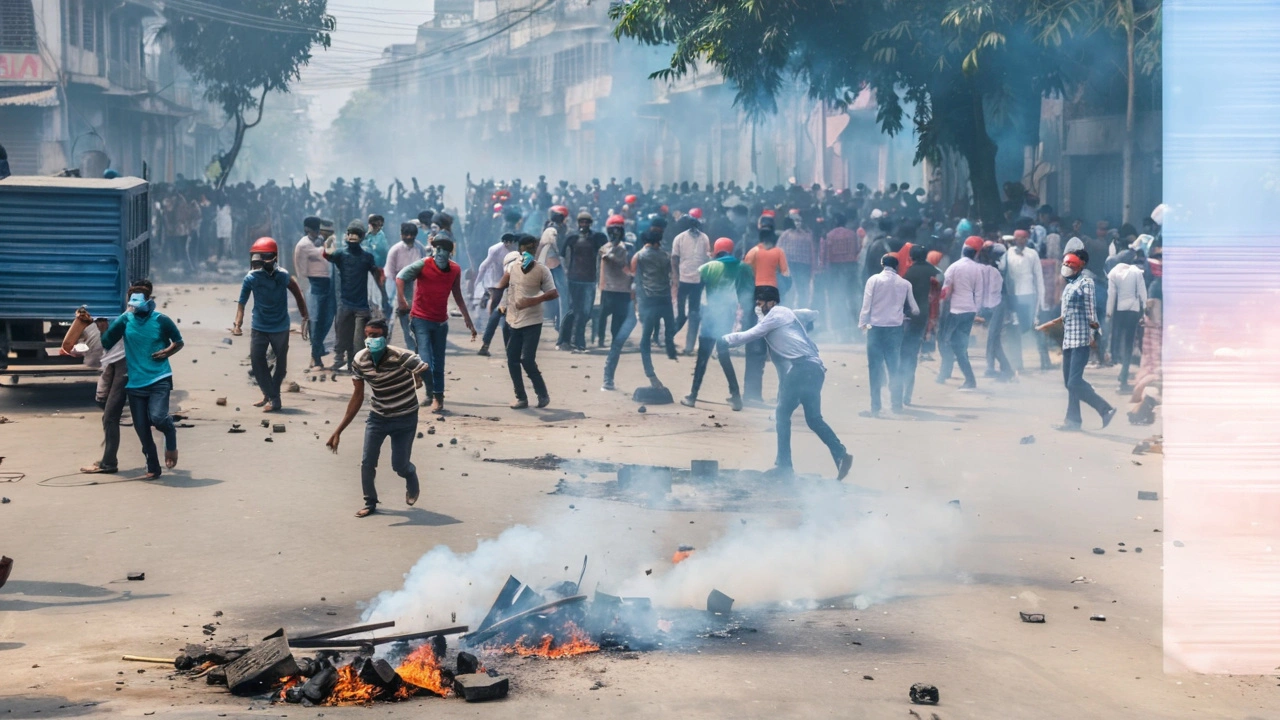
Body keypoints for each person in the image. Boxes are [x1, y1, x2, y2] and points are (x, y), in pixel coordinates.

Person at [721, 287, 853, 481]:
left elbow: (752, 334)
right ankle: (841, 454)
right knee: (814, 419)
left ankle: (784, 466)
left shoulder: (777, 314)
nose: (759, 307)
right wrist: (812, 315)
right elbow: (803, 313)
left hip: (803, 368)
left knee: (782, 414)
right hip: (814, 370)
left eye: (760, 304)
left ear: (772, 302)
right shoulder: (783, 314)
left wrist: (725, 339)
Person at [326, 320, 426, 518]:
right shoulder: (359, 360)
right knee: (367, 461)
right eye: (368, 335)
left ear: (385, 337)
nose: (371, 340)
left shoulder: (400, 355)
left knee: (399, 465)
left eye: (376, 335)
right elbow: (357, 396)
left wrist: (418, 376)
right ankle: (370, 502)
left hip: (405, 417)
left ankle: (411, 476)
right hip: (378, 417)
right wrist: (338, 430)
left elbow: (422, 366)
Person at [101, 281, 184, 480]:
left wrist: (167, 351)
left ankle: (170, 436)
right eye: (132, 306)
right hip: (135, 382)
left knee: (158, 417)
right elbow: (106, 343)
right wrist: (103, 327)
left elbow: (179, 342)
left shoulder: (161, 320)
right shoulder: (125, 319)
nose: (136, 310)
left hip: (159, 378)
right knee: (141, 428)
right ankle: (153, 467)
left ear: (148, 302)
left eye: (139, 305)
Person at [397, 236, 477, 412]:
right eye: (437, 249)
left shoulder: (455, 270)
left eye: (444, 250)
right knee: (425, 360)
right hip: (420, 319)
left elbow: (457, 294)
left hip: (440, 322)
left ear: (450, 253)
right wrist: (402, 300)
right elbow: (400, 277)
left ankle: (437, 398)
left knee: (438, 362)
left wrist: (467, 319)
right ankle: (427, 387)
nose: (440, 253)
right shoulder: (423, 264)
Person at [1037, 252, 1116, 430]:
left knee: (1074, 382)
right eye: (1066, 265)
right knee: (1070, 383)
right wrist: (1048, 325)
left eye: (1071, 265)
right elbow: (1065, 315)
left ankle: (1105, 409)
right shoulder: (1068, 287)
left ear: (1079, 267)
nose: (1066, 268)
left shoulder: (1085, 284)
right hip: (1068, 340)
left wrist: (1093, 336)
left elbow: (1091, 312)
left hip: (1081, 340)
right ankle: (1073, 421)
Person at [233, 237, 310, 412]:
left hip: (280, 326)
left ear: (274, 257)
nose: (260, 261)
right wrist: (237, 323)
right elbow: (241, 303)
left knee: (280, 367)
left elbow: (298, 294)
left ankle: (271, 396)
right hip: (259, 326)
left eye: (265, 257)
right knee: (257, 361)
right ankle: (273, 397)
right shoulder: (251, 278)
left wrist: (305, 316)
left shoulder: (283, 276)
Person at [682, 237, 750, 410]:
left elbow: (696, 290)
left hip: (712, 314)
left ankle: (693, 396)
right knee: (723, 353)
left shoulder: (709, 267)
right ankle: (736, 397)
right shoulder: (741, 266)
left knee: (703, 357)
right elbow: (746, 290)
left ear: (716, 250)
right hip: (728, 314)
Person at [494, 235, 559, 408]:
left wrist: (533, 300)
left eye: (533, 248)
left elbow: (553, 293)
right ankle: (521, 397)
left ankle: (542, 394)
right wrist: (495, 302)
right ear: (520, 248)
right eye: (526, 248)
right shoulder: (513, 268)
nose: (529, 251)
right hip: (513, 321)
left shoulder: (542, 270)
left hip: (533, 321)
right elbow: (501, 287)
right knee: (512, 359)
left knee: (527, 359)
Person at [324, 220, 387, 372]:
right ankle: (339, 360)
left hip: (361, 305)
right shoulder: (340, 254)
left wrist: (383, 295)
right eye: (350, 233)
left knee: (358, 339)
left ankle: (354, 363)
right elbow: (327, 255)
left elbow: (377, 274)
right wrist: (328, 243)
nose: (353, 237)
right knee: (342, 335)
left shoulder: (366, 257)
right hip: (345, 303)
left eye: (356, 234)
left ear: (362, 237)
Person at [860, 254, 919, 415]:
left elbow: (866, 306)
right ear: (897, 267)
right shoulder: (905, 283)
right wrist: (902, 313)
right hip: (895, 329)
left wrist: (862, 325)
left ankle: (876, 407)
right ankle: (896, 405)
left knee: (875, 368)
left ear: (882, 264)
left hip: (875, 328)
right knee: (895, 367)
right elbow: (915, 309)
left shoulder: (873, 280)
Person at [73, 306, 129, 475]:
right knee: (105, 407)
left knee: (110, 417)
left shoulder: (125, 320)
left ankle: (109, 462)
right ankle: (110, 457)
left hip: (122, 366)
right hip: (111, 366)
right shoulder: (93, 324)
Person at [742, 216, 789, 402]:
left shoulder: (752, 252)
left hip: (755, 299)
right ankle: (784, 396)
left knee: (754, 345)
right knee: (778, 346)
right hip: (773, 299)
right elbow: (786, 276)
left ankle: (751, 394)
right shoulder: (779, 252)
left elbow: (745, 276)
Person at [632, 222, 678, 388]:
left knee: (646, 338)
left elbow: (635, 276)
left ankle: (649, 372)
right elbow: (671, 275)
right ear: (658, 242)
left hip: (648, 300)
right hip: (664, 298)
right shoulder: (665, 256)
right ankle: (670, 351)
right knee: (669, 329)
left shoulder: (640, 255)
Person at [936, 236, 985, 389]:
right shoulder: (978, 269)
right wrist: (977, 310)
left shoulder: (953, 267)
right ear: (976, 253)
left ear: (963, 250)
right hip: (970, 312)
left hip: (955, 311)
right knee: (960, 344)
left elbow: (945, 291)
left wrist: (938, 308)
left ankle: (968, 379)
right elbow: (980, 293)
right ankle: (947, 375)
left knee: (949, 343)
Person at [1001, 229, 1049, 371]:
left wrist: (1042, 302)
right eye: (1017, 238)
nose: (1019, 241)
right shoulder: (1008, 253)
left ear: (1027, 239)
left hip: (1029, 295)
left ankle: (1045, 360)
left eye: (1022, 238)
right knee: (1013, 329)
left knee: (1035, 327)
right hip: (1013, 296)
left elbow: (1039, 278)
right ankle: (1017, 364)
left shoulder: (1032, 254)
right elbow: (1003, 271)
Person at [557, 211, 605, 352]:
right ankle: (565, 340)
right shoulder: (571, 237)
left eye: (586, 222)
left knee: (585, 312)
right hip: (573, 280)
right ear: (578, 223)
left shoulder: (596, 238)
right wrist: (564, 272)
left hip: (589, 280)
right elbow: (561, 255)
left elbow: (605, 253)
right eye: (581, 222)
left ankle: (578, 341)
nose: (584, 224)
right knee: (572, 311)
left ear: (590, 223)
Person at [901, 244, 941, 406]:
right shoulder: (935, 272)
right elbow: (940, 288)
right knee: (912, 357)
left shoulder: (908, 273)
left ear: (911, 257)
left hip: (909, 319)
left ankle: (899, 392)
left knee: (905, 356)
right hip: (926, 317)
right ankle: (907, 396)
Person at [294, 217, 334, 370]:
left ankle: (318, 348)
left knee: (328, 318)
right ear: (307, 229)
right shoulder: (303, 245)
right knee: (315, 321)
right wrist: (305, 290)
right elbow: (301, 270)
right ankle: (315, 356)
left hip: (327, 283)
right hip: (313, 284)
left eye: (318, 229)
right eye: (314, 229)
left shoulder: (320, 240)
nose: (316, 232)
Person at [671, 208, 712, 354]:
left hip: (698, 281)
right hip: (683, 280)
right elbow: (674, 259)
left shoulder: (704, 238)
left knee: (694, 314)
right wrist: (675, 278)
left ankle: (688, 347)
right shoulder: (680, 238)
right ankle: (669, 339)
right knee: (682, 315)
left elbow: (707, 258)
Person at [1106, 253, 1148, 393]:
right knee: (1129, 343)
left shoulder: (1113, 273)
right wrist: (1144, 312)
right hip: (1133, 311)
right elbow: (1143, 293)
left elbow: (1111, 295)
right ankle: (1123, 375)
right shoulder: (1136, 272)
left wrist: (1109, 313)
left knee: (1118, 339)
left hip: (1119, 311)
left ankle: (1119, 369)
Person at [818, 214, 862, 341]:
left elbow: (824, 256)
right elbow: (857, 251)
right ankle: (855, 329)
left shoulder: (829, 235)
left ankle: (839, 329)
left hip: (834, 270)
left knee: (837, 300)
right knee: (852, 298)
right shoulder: (852, 234)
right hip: (850, 269)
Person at [385, 222, 429, 347]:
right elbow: (389, 273)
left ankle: (413, 350)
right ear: (401, 235)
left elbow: (424, 269)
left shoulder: (419, 248)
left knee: (412, 322)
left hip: (415, 287)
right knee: (391, 322)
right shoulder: (395, 250)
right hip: (397, 287)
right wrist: (395, 295)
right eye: (406, 234)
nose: (409, 237)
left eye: (412, 235)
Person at [475, 233, 518, 356]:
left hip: (506, 286)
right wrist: (479, 282)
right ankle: (506, 348)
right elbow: (485, 266)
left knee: (499, 316)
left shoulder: (515, 253)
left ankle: (487, 345)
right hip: (500, 284)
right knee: (502, 316)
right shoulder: (497, 250)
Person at [539, 205, 570, 331]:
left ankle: (557, 321)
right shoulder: (553, 230)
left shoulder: (550, 227)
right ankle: (563, 325)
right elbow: (558, 249)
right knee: (564, 296)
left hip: (550, 264)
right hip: (555, 264)